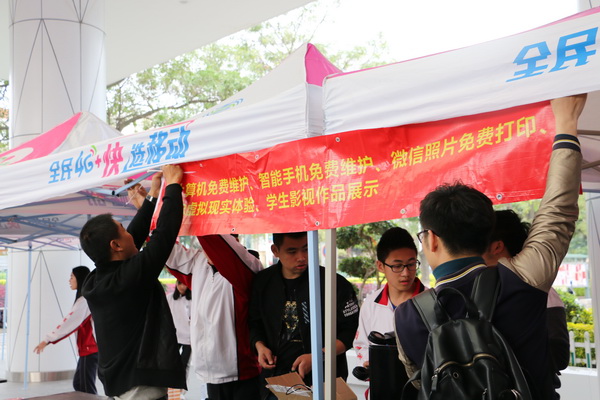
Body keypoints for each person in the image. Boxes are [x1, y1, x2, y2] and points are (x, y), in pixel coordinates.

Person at [394, 94, 586, 400]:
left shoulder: (406, 317)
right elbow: (559, 211)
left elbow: (422, 382)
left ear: (431, 239)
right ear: (487, 238)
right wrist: (566, 122)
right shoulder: (522, 279)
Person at [80, 165, 186, 400]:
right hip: (141, 388)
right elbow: (164, 235)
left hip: (120, 382)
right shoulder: (128, 278)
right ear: (115, 245)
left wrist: (153, 195)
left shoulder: (96, 280)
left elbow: (134, 237)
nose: (130, 233)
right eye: (122, 230)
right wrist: (173, 185)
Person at [249, 231, 360, 399]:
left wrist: (318, 357)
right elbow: (254, 322)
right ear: (275, 251)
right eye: (292, 251)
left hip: (324, 381)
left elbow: (351, 332)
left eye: (306, 249)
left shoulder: (333, 283)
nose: (301, 257)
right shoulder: (263, 282)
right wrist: (260, 347)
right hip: (276, 381)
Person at [164, 233, 264, 400]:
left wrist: (203, 224)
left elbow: (215, 239)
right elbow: (165, 247)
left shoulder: (246, 265)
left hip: (242, 373)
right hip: (210, 374)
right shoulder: (199, 263)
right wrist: (151, 218)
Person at [483, 209, 570, 398]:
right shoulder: (481, 289)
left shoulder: (541, 292)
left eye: (478, 242)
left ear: (497, 246)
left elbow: (560, 355)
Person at [353, 227, 426, 369]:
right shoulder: (371, 304)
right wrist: (369, 364)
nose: (406, 273)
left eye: (411, 264)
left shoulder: (431, 302)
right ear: (380, 266)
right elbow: (362, 345)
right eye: (397, 266)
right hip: (382, 380)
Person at [34, 266, 98, 394]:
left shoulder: (84, 301)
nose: (69, 280)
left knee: (86, 388)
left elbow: (68, 323)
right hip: (87, 350)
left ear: (79, 278)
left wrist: (47, 340)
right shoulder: (83, 299)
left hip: (90, 349)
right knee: (79, 384)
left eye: (72, 277)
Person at [166, 280, 192, 374]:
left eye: (185, 284)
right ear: (176, 284)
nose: (182, 287)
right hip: (174, 335)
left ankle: (182, 382)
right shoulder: (169, 298)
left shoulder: (192, 300)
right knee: (170, 361)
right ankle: (171, 380)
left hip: (188, 337)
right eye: (180, 283)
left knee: (184, 363)